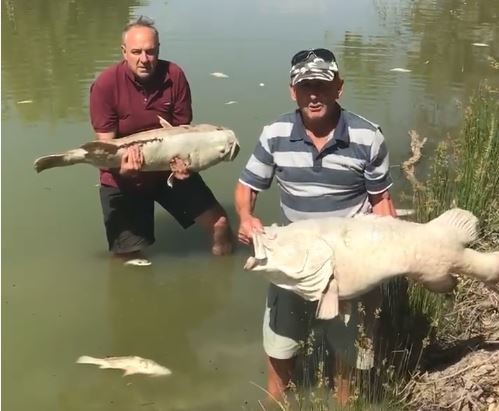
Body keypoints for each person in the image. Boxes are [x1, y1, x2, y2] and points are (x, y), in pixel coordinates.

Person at [234, 48, 397, 404]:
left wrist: (389, 255)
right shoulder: (275, 133)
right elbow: (247, 187)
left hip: (349, 256)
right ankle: (277, 401)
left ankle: (343, 401)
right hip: (294, 252)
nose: (313, 94)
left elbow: (382, 203)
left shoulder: (367, 137)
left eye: (321, 85)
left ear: (338, 87)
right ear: (292, 90)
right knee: (280, 346)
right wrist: (246, 218)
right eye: (305, 85)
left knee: (349, 352)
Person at [89, 16, 233, 265]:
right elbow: (106, 149)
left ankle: (221, 280)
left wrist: (186, 167)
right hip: (122, 175)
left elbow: (184, 135)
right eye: (136, 52)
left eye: (150, 52)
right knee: (129, 256)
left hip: (169, 170)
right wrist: (124, 169)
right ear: (124, 52)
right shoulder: (105, 84)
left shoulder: (174, 75)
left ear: (158, 50)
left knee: (220, 224)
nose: (144, 59)